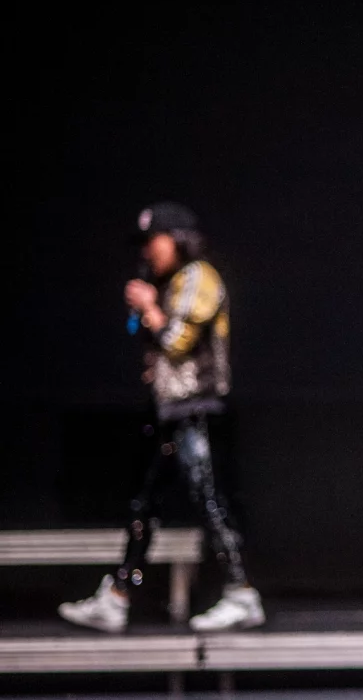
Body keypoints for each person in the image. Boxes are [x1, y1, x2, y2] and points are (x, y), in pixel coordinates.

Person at [58, 202, 266, 633]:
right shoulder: (173, 283)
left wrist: (151, 307)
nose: (148, 251)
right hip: (172, 413)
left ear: (178, 239)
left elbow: (176, 340)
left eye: (155, 240)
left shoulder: (199, 278)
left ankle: (241, 592)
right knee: (144, 505)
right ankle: (118, 596)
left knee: (210, 501)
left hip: (198, 412)